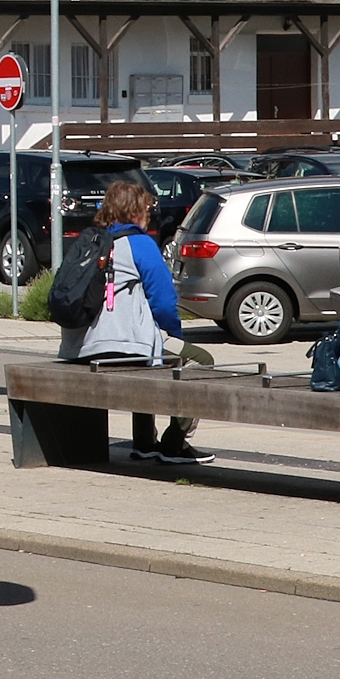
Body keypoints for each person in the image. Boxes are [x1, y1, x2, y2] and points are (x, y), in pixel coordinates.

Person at [60, 177, 212, 464]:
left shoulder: (91, 242)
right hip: (120, 346)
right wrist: (173, 335)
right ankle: (174, 443)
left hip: (78, 346)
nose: (148, 215)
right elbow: (164, 302)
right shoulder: (139, 243)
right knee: (198, 359)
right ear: (134, 211)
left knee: (144, 350)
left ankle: (144, 442)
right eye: (146, 209)